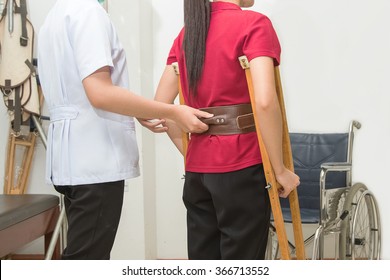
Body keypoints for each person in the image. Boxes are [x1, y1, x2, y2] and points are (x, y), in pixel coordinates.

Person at [37, 0, 212, 260]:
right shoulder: (89, 13)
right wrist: (173, 111)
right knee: (87, 259)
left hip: (70, 157)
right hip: (94, 158)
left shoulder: (56, 14)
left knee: (84, 251)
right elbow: (100, 93)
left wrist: (144, 110)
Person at [140, 0, 300, 260]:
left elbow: (162, 111)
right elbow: (265, 101)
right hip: (242, 165)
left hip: (197, 173)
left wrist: (192, 154)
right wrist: (280, 170)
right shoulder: (254, 24)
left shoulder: (187, 35)